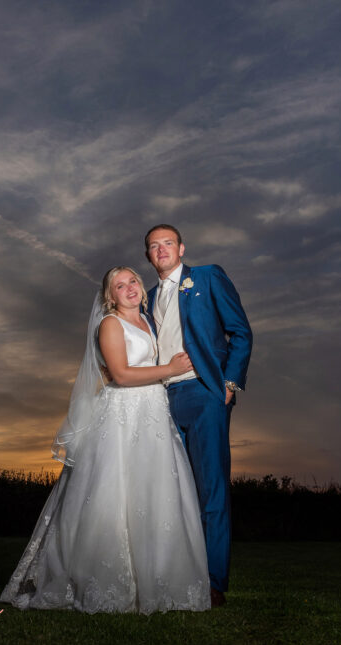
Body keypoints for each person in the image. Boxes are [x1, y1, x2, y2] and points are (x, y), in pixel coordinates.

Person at [0, 266, 210, 613]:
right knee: (114, 492)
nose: (128, 288)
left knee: (153, 492)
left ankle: (155, 578)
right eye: (119, 285)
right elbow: (122, 375)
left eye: (132, 282)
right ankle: (101, 580)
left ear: (142, 288)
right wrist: (169, 370)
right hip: (124, 415)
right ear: (110, 296)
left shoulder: (147, 321)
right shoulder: (110, 324)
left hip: (152, 414)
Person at [145, 224, 252, 608]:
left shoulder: (207, 277)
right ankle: (176, 575)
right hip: (161, 399)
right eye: (154, 246)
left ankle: (212, 582)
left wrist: (230, 384)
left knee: (211, 489)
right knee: (172, 491)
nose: (161, 250)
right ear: (148, 256)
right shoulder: (149, 297)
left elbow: (240, 331)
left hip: (205, 392)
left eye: (167, 243)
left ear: (181, 248)